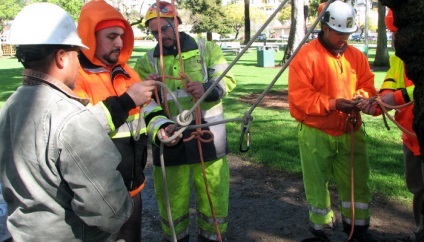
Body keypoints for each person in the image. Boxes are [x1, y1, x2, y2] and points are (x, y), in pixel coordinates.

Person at [0, 3, 133, 241]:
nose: (79, 62)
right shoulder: (71, 117)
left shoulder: (11, 106)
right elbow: (110, 211)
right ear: (62, 57)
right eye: (76, 54)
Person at [74, 1, 180, 241]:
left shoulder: (129, 73)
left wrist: (162, 128)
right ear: (89, 37)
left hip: (134, 186)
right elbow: (77, 131)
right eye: (111, 36)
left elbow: (148, 110)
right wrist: (125, 101)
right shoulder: (76, 77)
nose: (119, 43)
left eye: (122, 36)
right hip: (97, 192)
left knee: (132, 237)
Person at [134, 2, 236, 241]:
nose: (162, 36)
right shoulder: (147, 62)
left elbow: (227, 79)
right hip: (170, 138)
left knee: (214, 192)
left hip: (208, 134)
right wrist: (151, 89)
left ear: (177, 22)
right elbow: (143, 102)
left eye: (166, 28)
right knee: (172, 196)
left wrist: (207, 89)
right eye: (155, 32)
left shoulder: (206, 49)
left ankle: (212, 236)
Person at [288, 1, 378, 241]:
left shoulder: (356, 56)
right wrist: (333, 104)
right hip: (316, 133)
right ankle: (320, 232)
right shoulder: (306, 57)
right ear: (325, 27)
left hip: (351, 131)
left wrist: (363, 98)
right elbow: (300, 98)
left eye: (347, 34)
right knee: (316, 186)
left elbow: (367, 85)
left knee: (357, 183)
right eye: (339, 33)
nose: (343, 39)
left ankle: (357, 230)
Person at [359, 9, 424, 242]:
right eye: (393, 33)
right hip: (412, 138)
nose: (395, 38)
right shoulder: (399, 58)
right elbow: (390, 83)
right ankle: (419, 231)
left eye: (397, 32)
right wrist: (378, 103)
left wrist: (394, 99)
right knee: (418, 190)